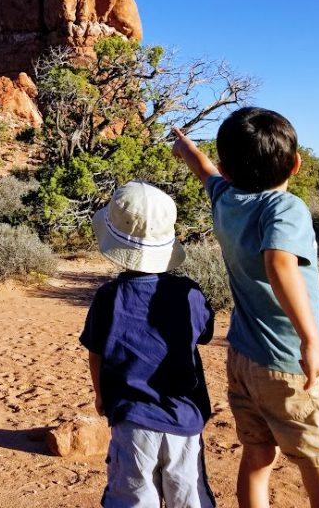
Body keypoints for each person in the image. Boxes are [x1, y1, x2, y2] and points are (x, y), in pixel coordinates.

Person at [172, 108, 319, 508]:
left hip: (243, 358)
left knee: (257, 455)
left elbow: (206, 172)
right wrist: (311, 341)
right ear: (296, 164)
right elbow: (279, 263)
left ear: (228, 169)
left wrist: (185, 147)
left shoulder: (227, 199)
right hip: (288, 364)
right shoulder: (285, 208)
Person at [81, 180, 217, 508]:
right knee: (188, 495)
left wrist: (101, 397)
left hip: (132, 419)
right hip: (184, 418)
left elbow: (96, 354)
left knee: (133, 497)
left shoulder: (108, 298)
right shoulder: (190, 294)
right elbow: (205, 333)